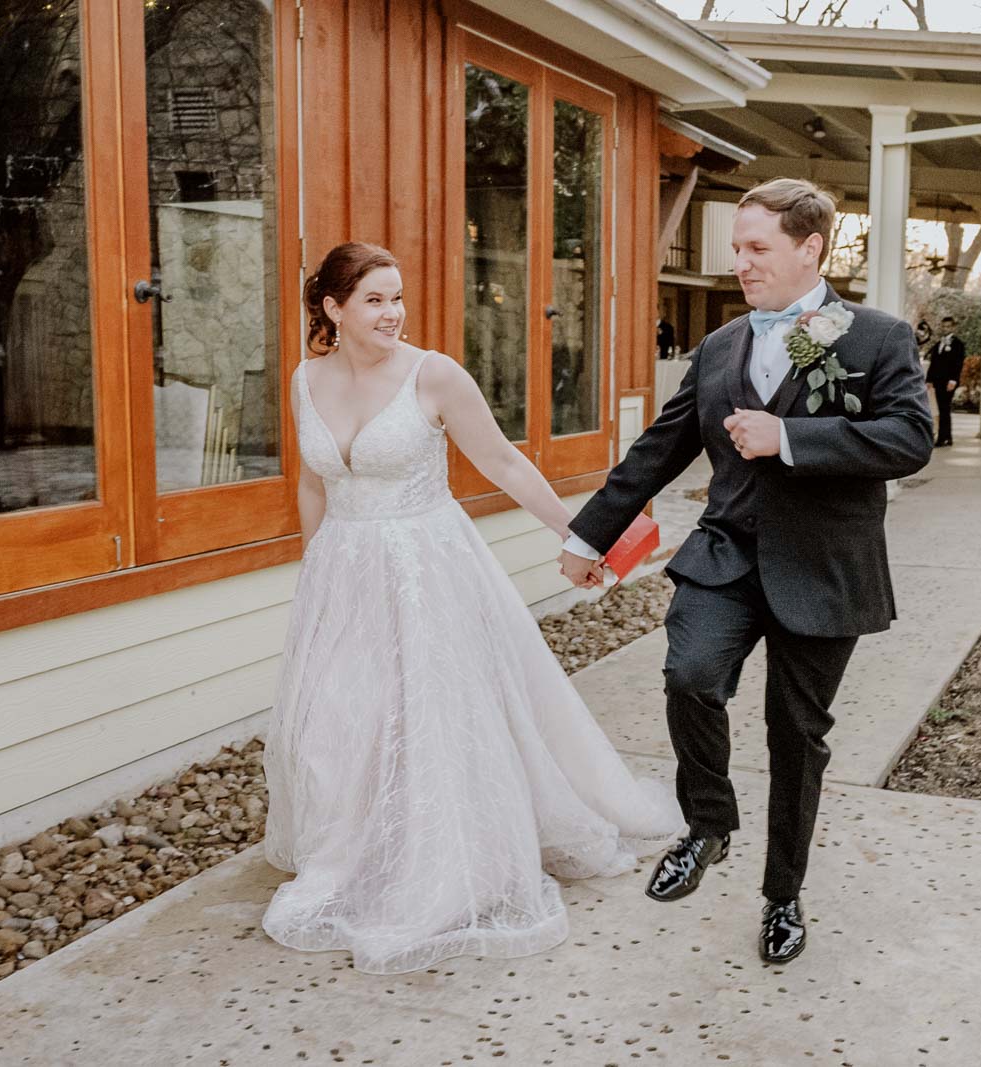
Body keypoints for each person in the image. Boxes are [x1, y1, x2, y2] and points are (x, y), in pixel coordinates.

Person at [261, 242, 684, 975]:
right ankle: (355, 845)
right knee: (345, 715)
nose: (393, 312)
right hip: (344, 570)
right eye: (374, 299)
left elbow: (506, 462)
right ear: (332, 308)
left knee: (433, 711)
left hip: (429, 568)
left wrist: (581, 535)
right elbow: (312, 483)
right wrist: (314, 569)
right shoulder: (306, 379)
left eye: (397, 296)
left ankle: (446, 859)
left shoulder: (434, 375)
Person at [558, 179, 933, 964]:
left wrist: (790, 436)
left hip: (826, 569)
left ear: (810, 248)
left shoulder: (876, 337)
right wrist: (590, 535)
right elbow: (660, 447)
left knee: (796, 736)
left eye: (757, 247)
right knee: (690, 676)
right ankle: (709, 824)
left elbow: (908, 437)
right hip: (727, 555)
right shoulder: (721, 345)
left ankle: (783, 894)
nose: (741, 262)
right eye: (737, 246)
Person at [924, 315, 965, 447]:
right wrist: (929, 379)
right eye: (943, 326)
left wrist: (953, 380)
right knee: (942, 409)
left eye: (948, 326)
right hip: (937, 381)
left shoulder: (958, 344)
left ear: (953, 327)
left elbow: (958, 363)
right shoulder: (938, 344)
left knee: (944, 408)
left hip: (948, 381)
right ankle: (947, 436)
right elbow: (934, 362)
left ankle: (943, 437)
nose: (945, 329)